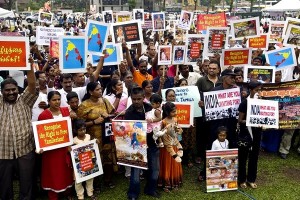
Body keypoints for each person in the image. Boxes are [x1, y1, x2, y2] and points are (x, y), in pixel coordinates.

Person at [0, 59, 38, 200]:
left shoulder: (25, 100)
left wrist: (29, 66)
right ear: (2, 91)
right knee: (4, 185)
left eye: (13, 89)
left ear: (18, 89)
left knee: (26, 183)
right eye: (7, 90)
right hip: (3, 152)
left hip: (24, 150)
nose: (11, 92)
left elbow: (33, 85)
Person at [77, 82, 117, 188]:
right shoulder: (84, 105)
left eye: (100, 89)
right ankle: (95, 183)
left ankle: (108, 180)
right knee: (95, 158)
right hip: (93, 137)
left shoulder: (104, 101)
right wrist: (94, 122)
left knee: (108, 156)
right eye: (97, 89)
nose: (100, 91)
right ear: (90, 92)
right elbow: (79, 124)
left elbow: (113, 114)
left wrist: (108, 116)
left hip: (107, 135)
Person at [125, 87, 160, 200]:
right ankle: (133, 194)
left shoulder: (150, 107)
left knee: (154, 169)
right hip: (137, 146)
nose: (136, 101)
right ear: (131, 98)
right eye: (134, 99)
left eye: (139, 99)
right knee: (136, 171)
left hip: (152, 143)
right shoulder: (129, 113)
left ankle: (151, 189)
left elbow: (158, 120)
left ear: (143, 98)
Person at [37, 91, 74, 199]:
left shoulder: (65, 111)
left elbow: (69, 129)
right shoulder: (44, 115)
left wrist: (69, 144)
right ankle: (53, 194)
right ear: (48, 101)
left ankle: (67, 192)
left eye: (58, 99)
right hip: (51, 151)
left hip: (64, 148)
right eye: (54, 100)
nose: (57, 102)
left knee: (65, 170)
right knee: (53, 171)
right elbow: (41, 134)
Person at [238, 82, 263, 189]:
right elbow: (240, 120)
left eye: (260, 90)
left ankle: (251, 179)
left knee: (254, 157)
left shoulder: (262, 103)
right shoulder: (244, 103)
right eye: (257, 90)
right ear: (251, 90)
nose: (259, 93)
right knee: (243, 158)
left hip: (257, 133)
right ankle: (242, 179)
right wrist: (250, 121)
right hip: (246, 133)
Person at [158, 102, 183, 192]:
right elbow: (160, 134)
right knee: (167, 164)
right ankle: (166, 183)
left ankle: (174, 182)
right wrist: (161, 143)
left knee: (175, 162)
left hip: (174, 144)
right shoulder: (163, 121)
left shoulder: (176, 119)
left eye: (175, 111)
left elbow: (177, 132)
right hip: (166, 147)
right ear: (167, 112)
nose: (175, 113)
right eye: (173, 112)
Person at [73, 119, 96, 200]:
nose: (82, 131)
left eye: (84, 129)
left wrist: (96, 142)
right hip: (79, 164)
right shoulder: (74, 140)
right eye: (80, 130)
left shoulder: (89, 137)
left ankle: (90, 193)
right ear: (75, 130)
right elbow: (72, 152)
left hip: (88, 162)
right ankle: (80, 195)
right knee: (78, 181)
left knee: (90, 178)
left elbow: (93, 145)